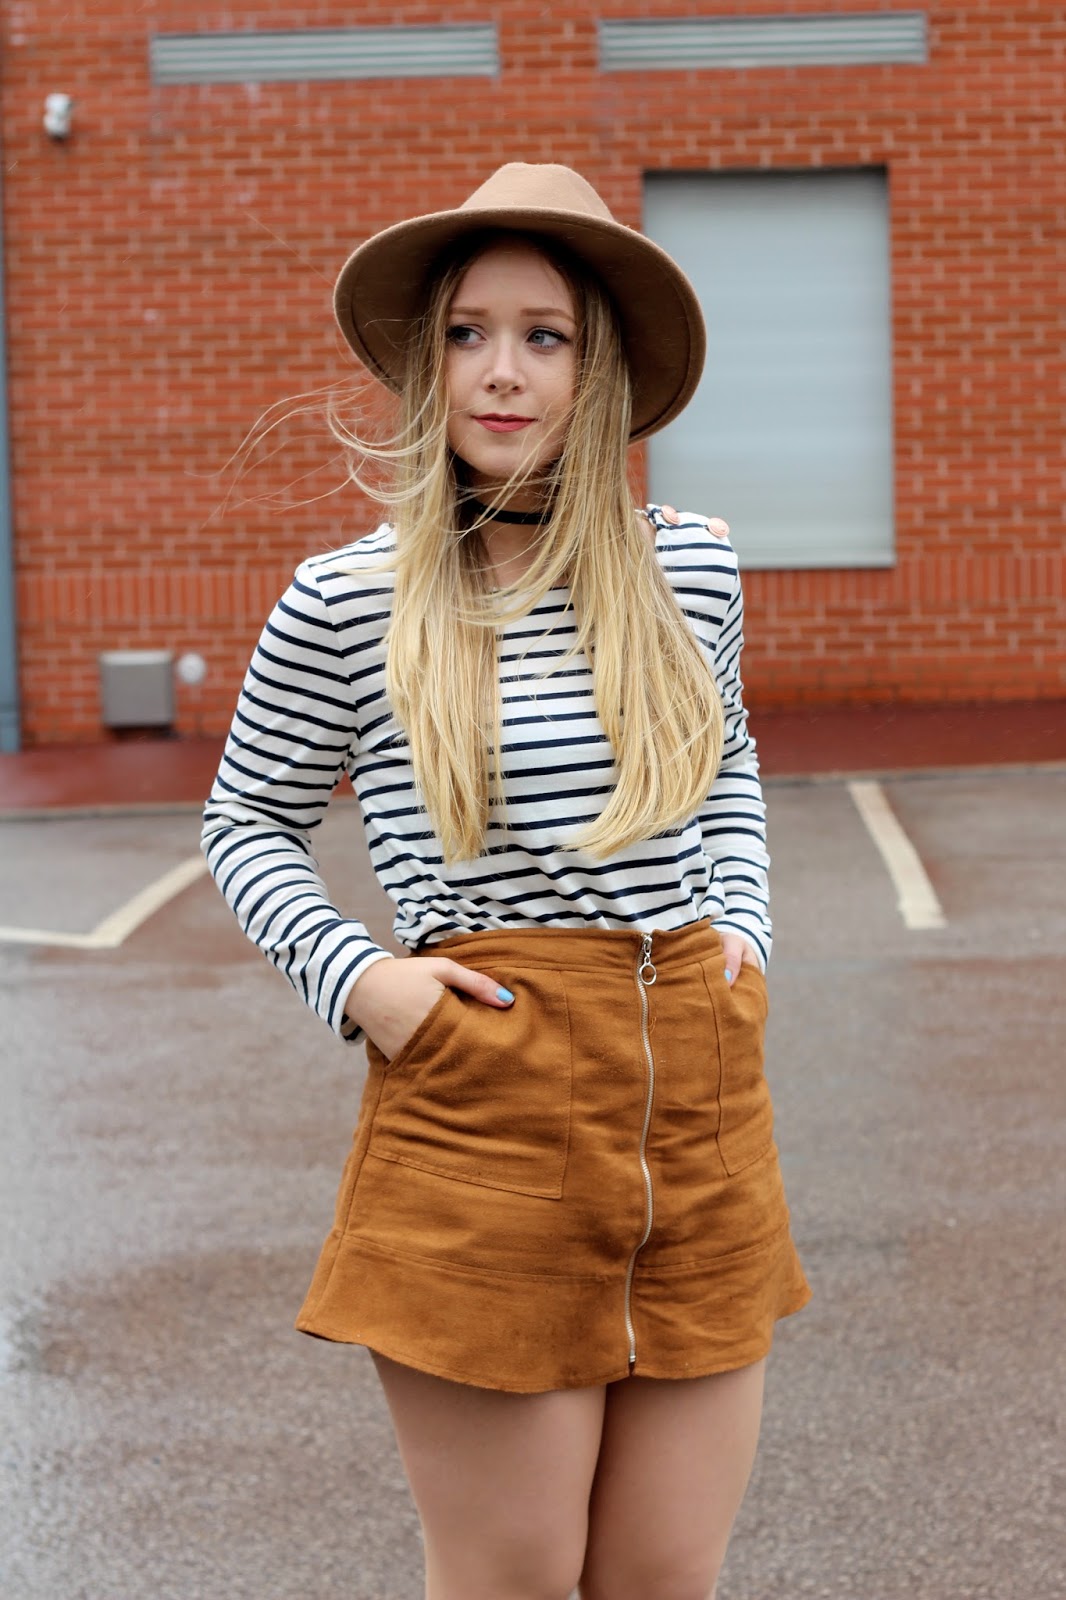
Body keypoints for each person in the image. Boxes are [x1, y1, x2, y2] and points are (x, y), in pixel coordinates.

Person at [202, 162, 810, 1600]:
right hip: (485, 1109)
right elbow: (245, 819)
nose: (501, 370)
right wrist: (362, 982)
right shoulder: (347, 598)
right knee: (512, 1579)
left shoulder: (691, 569)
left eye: (545, 335)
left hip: (697, 1105)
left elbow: (724, 761)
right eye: (468, 333)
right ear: (430, 364)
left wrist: (744, 928)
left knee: (662, 1575)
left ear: (598, 370)